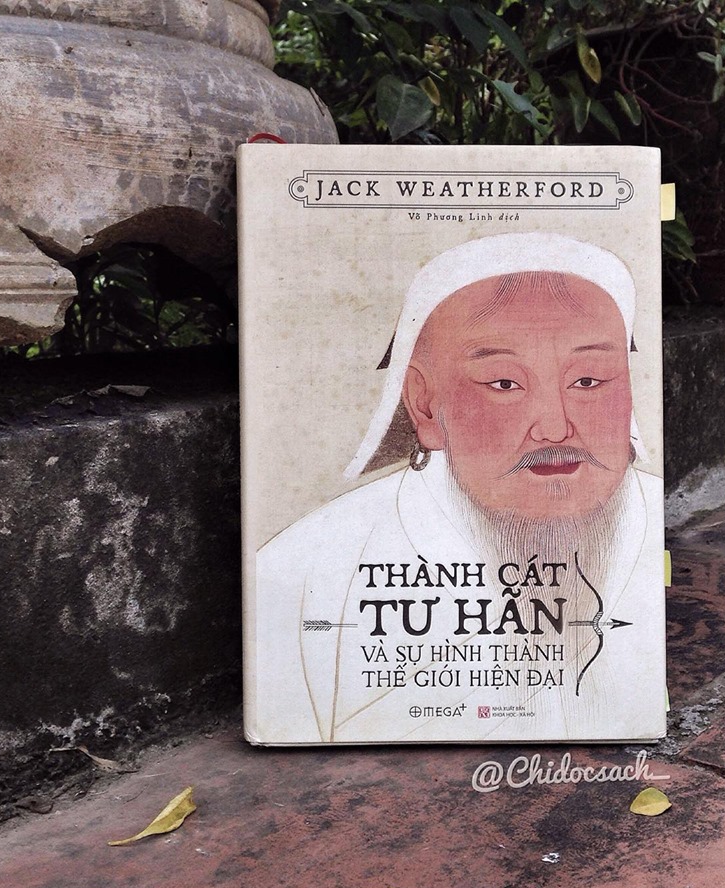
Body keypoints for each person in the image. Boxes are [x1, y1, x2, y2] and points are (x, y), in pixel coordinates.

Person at [250, 233, 665, 745]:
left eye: (589, 380)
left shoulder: (653, 524)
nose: (555, 429)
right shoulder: (304, 570)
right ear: (425, 405)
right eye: (504, 383)